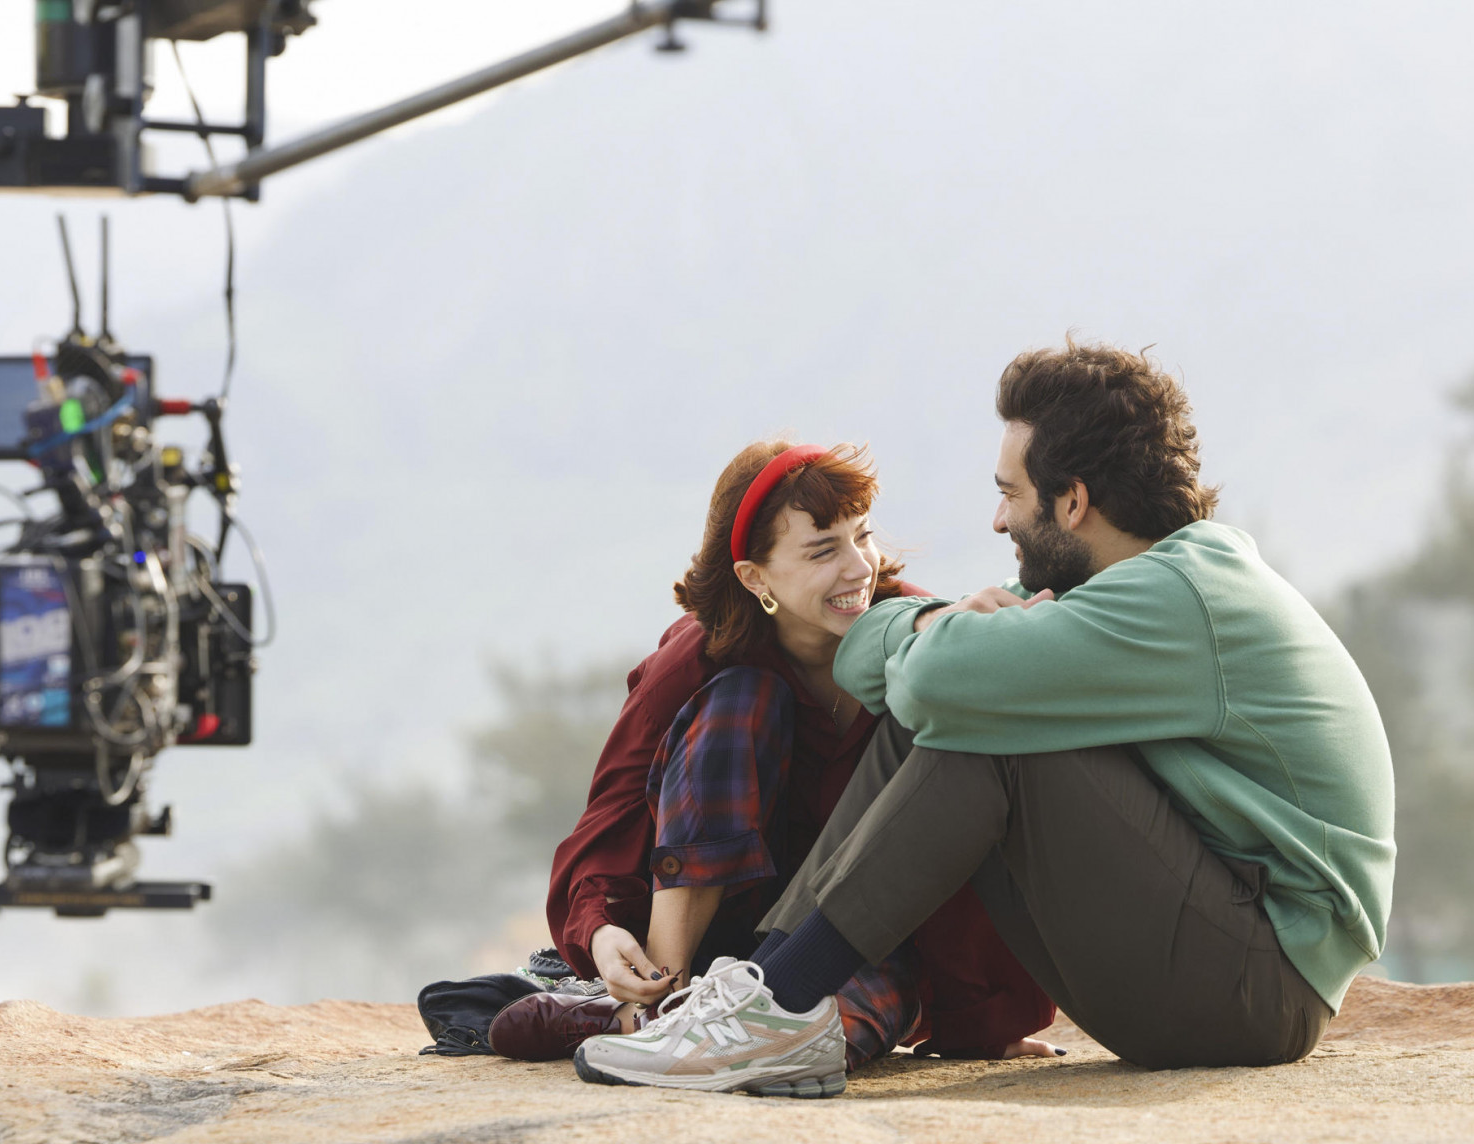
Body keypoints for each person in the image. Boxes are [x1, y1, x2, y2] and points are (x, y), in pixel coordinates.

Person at [573, 339, 1397, 1096]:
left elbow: (930, 685)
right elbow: (896, 676)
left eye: (1011, 494)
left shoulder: (1175, 600)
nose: (997, 521)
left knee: (987, 734)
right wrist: (938, 629)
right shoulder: (1137, 587)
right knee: (959, 710)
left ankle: (775, 1005)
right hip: (1215, 954)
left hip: (1261, 987)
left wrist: (935, 637)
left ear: (1072, 501)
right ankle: (765, 990)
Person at [492, 440, 1056, 1077]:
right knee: (743, 699)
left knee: (824, 1040)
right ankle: (662, 1010)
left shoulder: (920, 636)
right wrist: (597, 930)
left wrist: (981, 1022)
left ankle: (628, 1025)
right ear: (754, 577)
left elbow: (969, 817)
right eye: (822, 550)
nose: (857, 567)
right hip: (711, 933)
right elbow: (608, 819)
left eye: (861, 536)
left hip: (841, 938)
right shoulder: (696, 661)